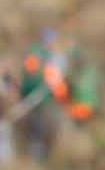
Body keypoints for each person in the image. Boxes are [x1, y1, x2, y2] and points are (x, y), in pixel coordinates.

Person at [18, 29, 69, 161]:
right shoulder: (38, 54)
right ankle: (38, 158)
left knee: (45, 129)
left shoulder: (50, 54)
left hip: (47, 97)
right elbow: (32, 78)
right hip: (40, 98)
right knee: (39, 130)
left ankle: (45, 156)